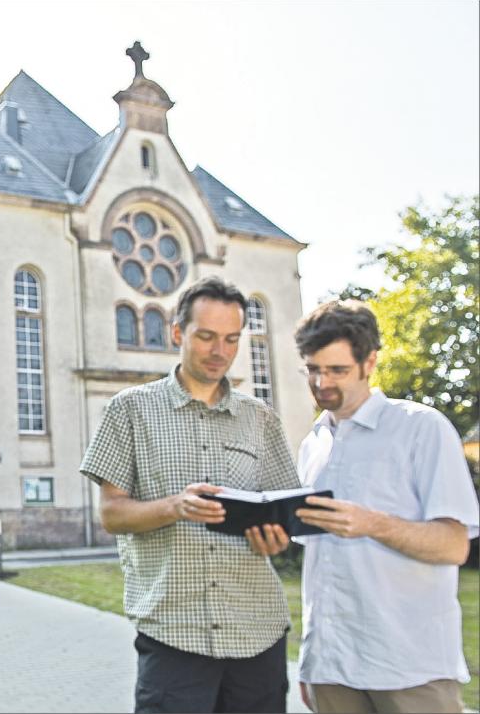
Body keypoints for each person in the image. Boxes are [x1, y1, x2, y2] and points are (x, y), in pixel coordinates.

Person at [80, 276, 300, 714]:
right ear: (178, 333)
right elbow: (112, 515)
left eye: (232, 339)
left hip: (257, 631)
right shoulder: (129, 409)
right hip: (173, 633)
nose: (220, 351)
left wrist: (279, 536)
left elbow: (285, 514)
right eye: (206, 337)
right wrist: (175, 507)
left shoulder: (262, 419)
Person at [292, 300, 478, 714]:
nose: (322, 383)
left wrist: (372, 524)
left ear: (370, 361)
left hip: (409, 670)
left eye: (337, 370)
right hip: (331, 669)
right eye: (312, 369)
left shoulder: (422, 428)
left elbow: (453, 545)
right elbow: (319, 568)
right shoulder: (313, 443)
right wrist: (311, 662)